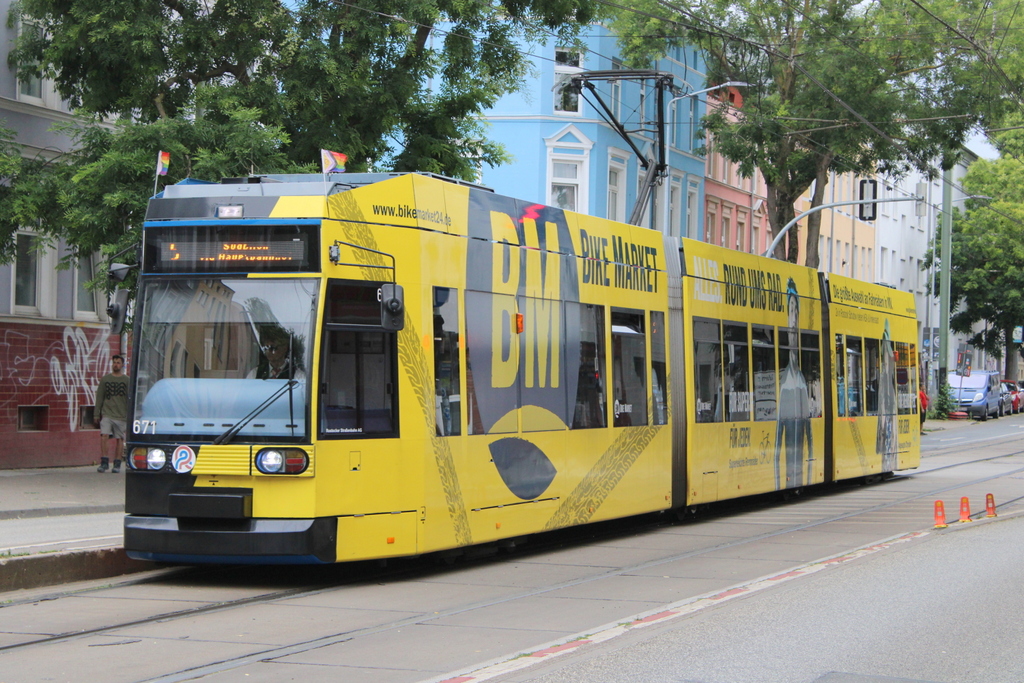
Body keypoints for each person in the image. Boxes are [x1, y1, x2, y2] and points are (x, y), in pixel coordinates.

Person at [94, 355, 129, 473]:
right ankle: (104, 462)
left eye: (118, 363)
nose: (116, 365)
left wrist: (130, 415)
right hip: (107, 413)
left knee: (119, 438)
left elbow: (130, 398)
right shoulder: (105, 379)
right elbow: (100, 397)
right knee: (104, 435)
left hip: (121, 414)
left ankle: (117, 463)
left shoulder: (126, 380)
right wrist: (96, 413)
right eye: (114, 362)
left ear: (122, 365)